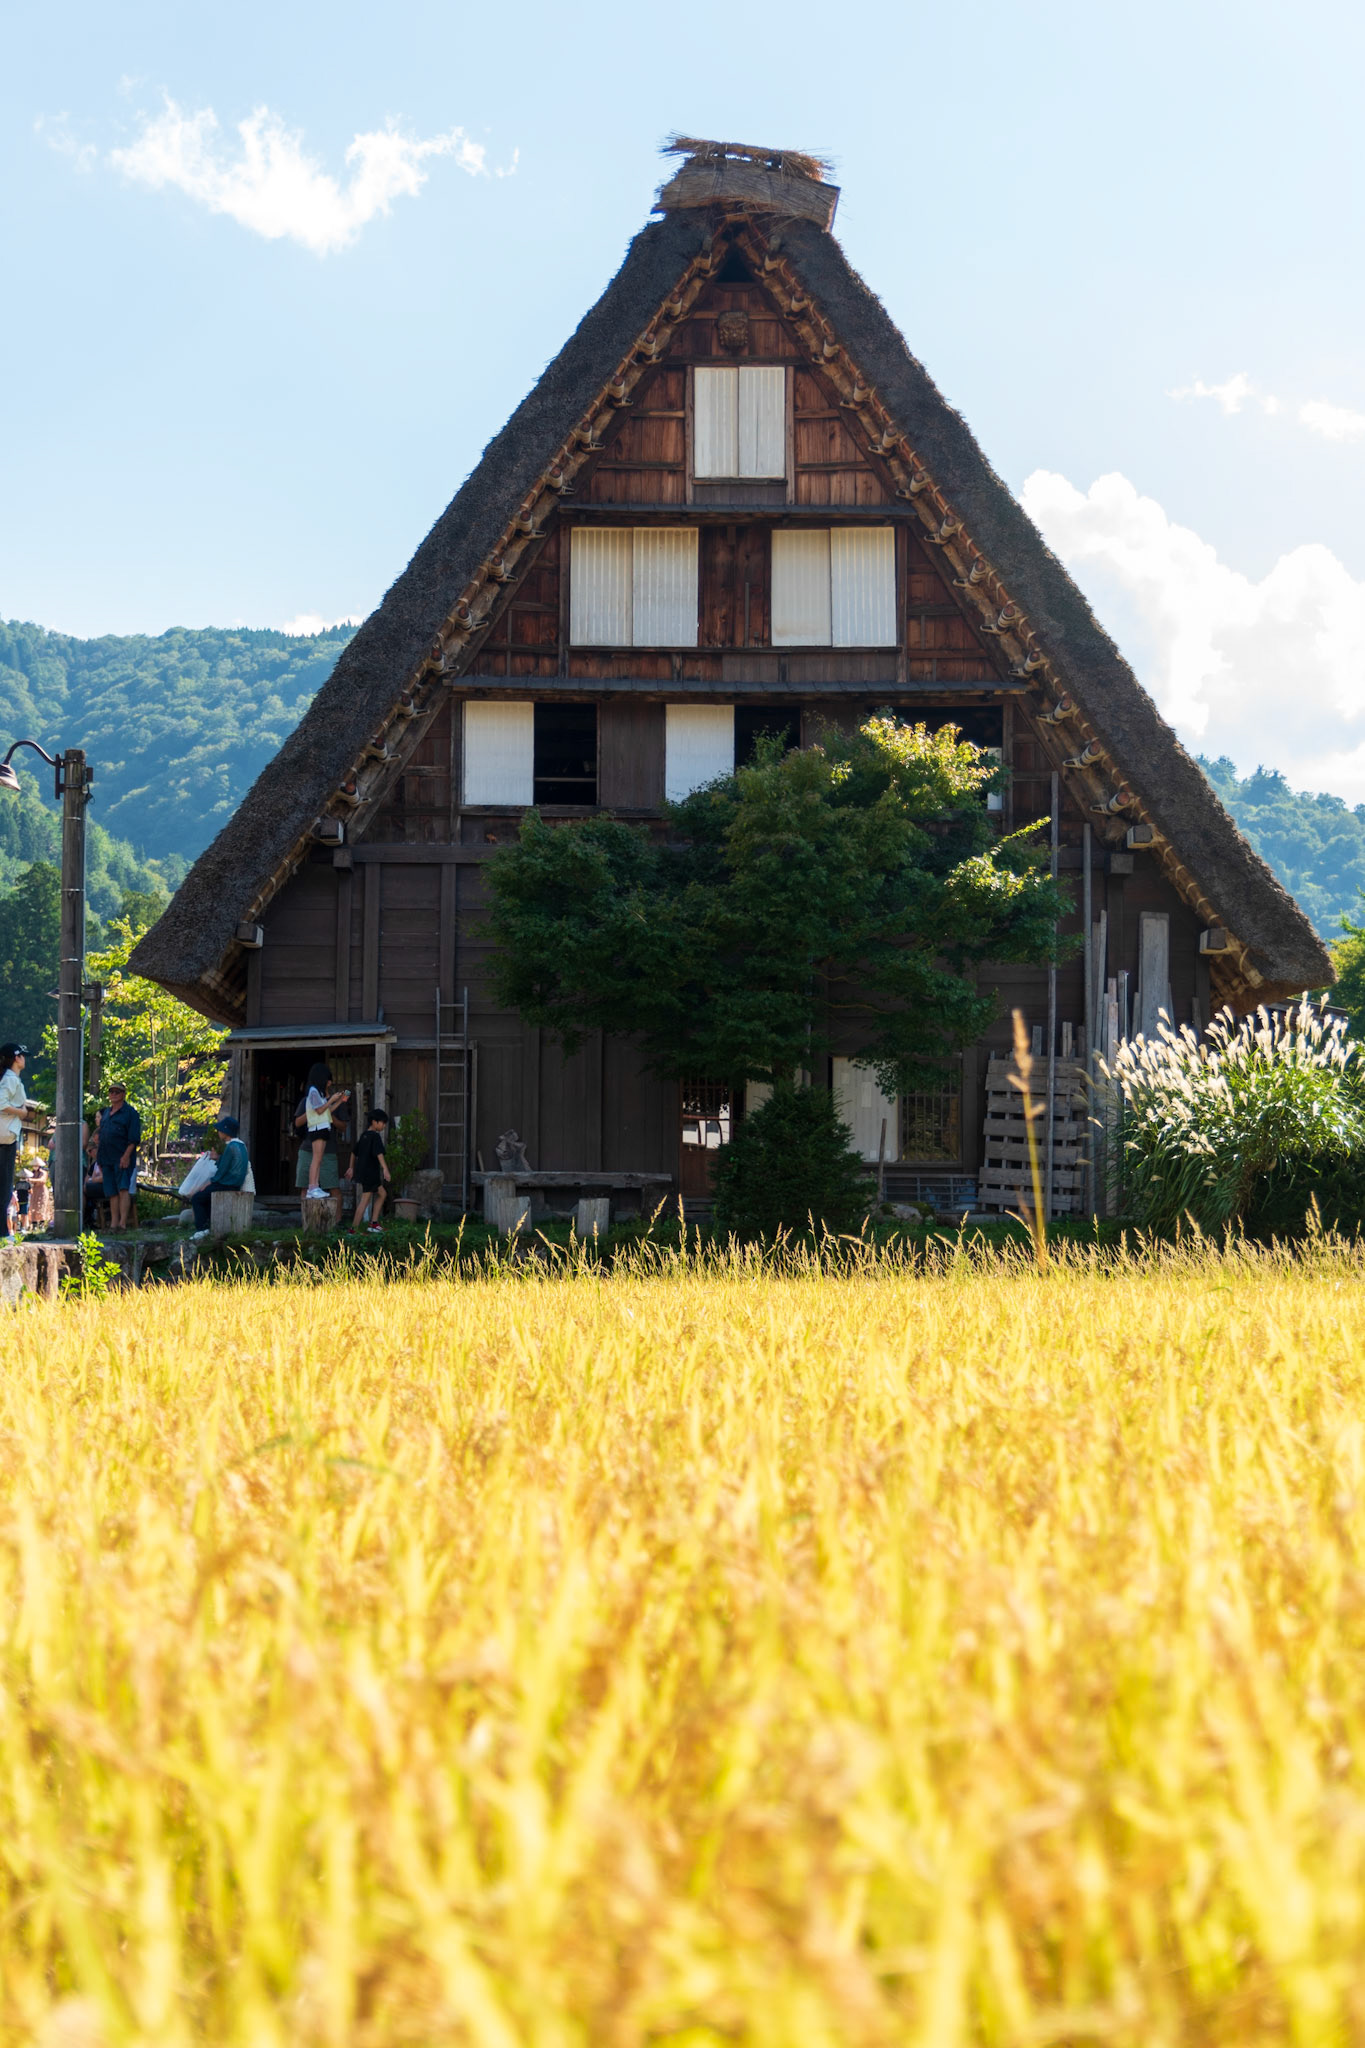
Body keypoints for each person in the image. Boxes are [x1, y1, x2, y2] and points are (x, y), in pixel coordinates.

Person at [189, 1117, 252, 1239]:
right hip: (235, 1183)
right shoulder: (241, 1145)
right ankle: (208, 1226)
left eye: (220, 1130)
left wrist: (209, 1183)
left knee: (197, 1198)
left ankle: (202, 1229)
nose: (218, 1132)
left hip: (227, 1183)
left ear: (225, 1132)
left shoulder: (230, 1147)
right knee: (206, 1198)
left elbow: (222, 1169)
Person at [300, 1062, 350, 1199]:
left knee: (319, 1159)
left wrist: (339, 1101)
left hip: (322, 1127)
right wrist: (331, 1099)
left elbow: (327, 1111)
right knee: (316, 1159)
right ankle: (312, 1187)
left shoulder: (319, 1093)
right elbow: (319, 1110)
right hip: (316, 1127)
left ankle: (315, 1186)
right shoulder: (313, 1091)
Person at [95, 1081, 142, 1231]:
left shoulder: (131, 1113)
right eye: (111, 1092)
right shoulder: (106, 1113)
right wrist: (100, 1159)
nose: (113, 1094)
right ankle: (114, 1223)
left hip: (122, 1157)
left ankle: (122, 1223)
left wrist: (126, 1156)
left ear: (123, 1094)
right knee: (111, 1192)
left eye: (117, 1092)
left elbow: (134, 1138)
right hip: (106, 1157)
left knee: (123, 1189)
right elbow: (101, 1135)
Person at [0, 1045, 31, 1243]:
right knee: (4, 1187)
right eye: (22, 1056)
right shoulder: (10, 1079)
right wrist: (22, 1112)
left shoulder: (9, 1078)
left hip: (5, 1136)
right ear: (16, 1058)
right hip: (6, 1138)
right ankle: (3, 1232)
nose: (24, 1059)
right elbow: (1, 1103)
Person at [345, 1107, 391, 1233]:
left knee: (382, 1194)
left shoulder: (364, 1136)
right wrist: (385, 1170)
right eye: (383, 1122)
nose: (384, 1125)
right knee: (364, 1201)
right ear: (374, 1122)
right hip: (370, 1173)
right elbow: (379, 1154)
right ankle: (352, 1230)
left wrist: (351, 1167)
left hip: (366, 1173)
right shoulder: (375, 1136)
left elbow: (354, 1152)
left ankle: (373, 1224)